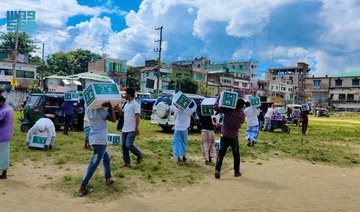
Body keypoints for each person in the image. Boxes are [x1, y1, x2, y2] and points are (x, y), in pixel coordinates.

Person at [78, 101, 117, 197]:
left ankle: (108, 178)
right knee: (93, 164)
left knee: (106, 158)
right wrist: (110, 107)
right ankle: (83, 187)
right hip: (100, 141)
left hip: (94, 139)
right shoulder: (101, 111)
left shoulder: (89, 111)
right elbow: (113, 119)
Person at [214, 98, 245, 179]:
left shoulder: (228, 110)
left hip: (225, 134)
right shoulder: (241, 114)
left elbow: (215, 107)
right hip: (234, 136)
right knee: (236, 154)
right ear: (242, 106)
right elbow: (242, 121)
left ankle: (217, 170)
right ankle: (236, 172)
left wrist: (219, 99)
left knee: (221, 154)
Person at [118, 88, 143, 167]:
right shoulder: (127, 104)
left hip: (132, 128)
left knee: (128, 145)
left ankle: (139, 154)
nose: (124, 95)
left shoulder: (135, 104)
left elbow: (137, 117)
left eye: (125, 93)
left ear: (129, 94)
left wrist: (136, 128)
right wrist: (117, 106)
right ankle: (127, 162)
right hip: (125, 128)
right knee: (124, 146)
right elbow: (122, 113)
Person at [172, 99, 197, 165]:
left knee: (177, 143)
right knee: (184, 143)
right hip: (185, 129)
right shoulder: (189, 111)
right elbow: (193, 108)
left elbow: (175, 116)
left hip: (177, 128)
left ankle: (178, 159)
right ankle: (184, 157)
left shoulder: (179, 109)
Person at [0, 95, 14, 179]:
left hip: (2, 135)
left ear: (1, 102)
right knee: (4, 154)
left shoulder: (3, 111)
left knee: (2, 155)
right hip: (6, 134)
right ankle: (4, 173)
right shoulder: (9, 108)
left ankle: (4, 174)